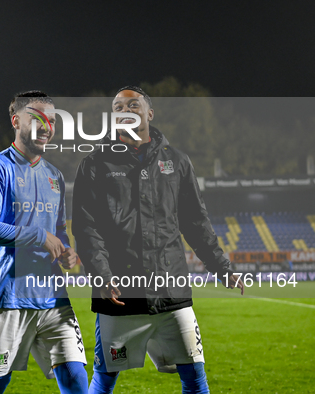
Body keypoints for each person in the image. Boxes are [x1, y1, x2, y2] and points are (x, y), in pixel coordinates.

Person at [72, 86, 244, 394]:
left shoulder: (177, 162)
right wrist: (102, 273)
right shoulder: (94, 164)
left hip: (171, 292)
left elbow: (196, 223)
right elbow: (86, 229)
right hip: (120, 294)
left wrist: (222, 267)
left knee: (194, 379)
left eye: (133, 105)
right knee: (103, 381)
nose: (125, 110)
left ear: (149, 113)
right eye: (117, 107)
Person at [0, 91, 89, 394]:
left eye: (51, 120)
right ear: (16, 121)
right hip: (7, 297)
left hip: (52, 296)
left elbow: (59, 230)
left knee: (76, 377)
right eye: (38, 118)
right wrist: (39, 237)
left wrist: (66, 252)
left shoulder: (55, 176)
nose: (47, 126)